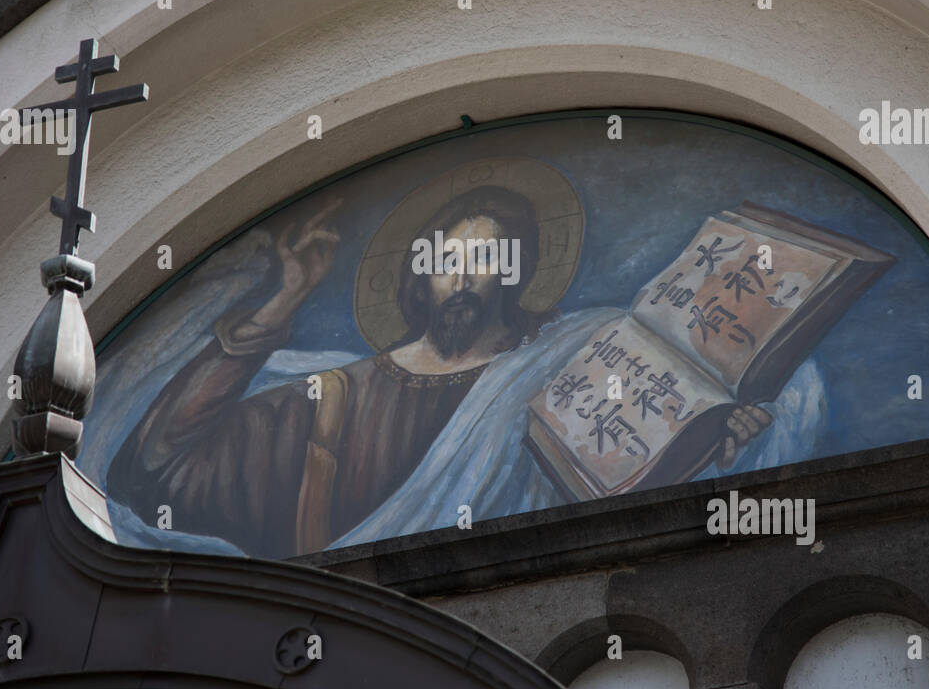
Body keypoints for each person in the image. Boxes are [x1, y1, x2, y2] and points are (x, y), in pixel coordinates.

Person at [108, 185, 771, 557]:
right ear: (416, 275)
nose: (459, 275)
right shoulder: (331, 399)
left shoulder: (567, 367)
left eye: (484, 259)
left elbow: (626, 489)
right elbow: (154, 469)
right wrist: (284, 300)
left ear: (518, 272)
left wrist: (710, 439)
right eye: (443, 259)